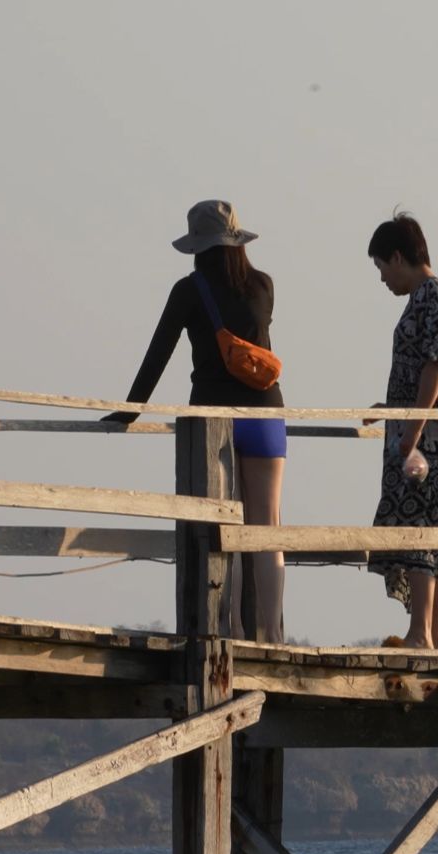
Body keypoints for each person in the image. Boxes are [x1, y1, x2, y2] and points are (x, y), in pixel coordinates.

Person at [107, 199, 287, 641]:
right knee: (268, 529)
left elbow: (158, 354)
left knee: (228, 529)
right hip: (266, 413)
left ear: (198, 247)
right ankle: (273, 633)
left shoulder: (189, 290)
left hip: (213, 419)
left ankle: (233, 630)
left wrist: (130, 410)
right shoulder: (264, 284)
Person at [361, 212, 438, 649]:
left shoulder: (433, 297)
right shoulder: (436, 297)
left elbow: (436, 366)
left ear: (398, 257)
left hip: (433, 440)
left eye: (381, 267)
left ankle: (420, 633)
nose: (382, 278)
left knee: (419, 526)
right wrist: (392, 408)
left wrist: (411, 431)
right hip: (437, 431)